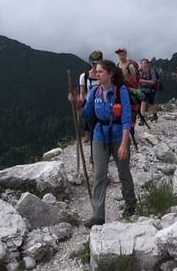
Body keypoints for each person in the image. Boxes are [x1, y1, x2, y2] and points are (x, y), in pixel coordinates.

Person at [68, 59, 137, 227]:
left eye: (100, 72)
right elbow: (87, 115)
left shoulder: (121, 91)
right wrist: (77, 106)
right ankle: (98, 215)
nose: (96, 74)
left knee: (123, 172)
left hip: (119, 135)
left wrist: (123, 144)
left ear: (110, 73)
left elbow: (127, 119)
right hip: (99, 135)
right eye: (96, 72)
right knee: (99, 174)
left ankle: (130, 204)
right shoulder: (95, 92)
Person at [79, 50, 103, 143]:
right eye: (92, 63)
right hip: (90, 104)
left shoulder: (104, 75)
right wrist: (80, 103)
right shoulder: (84, 76)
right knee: (93, 128)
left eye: (96, 63)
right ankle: (94, 152)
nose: (94, 65)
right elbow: (82, 92)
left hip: (102, 105)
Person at [138, 58, 159, 123]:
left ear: (147, 64)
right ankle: (142, 118)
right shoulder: (140, 71)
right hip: (143, 89)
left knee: (151, 103)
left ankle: (155, 114)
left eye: (144, 63)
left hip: (151, 89)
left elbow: (153, 81)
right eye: (142, 63)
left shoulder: (151, 71)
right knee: (143, 102)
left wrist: (143, 80)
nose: (143, 65)